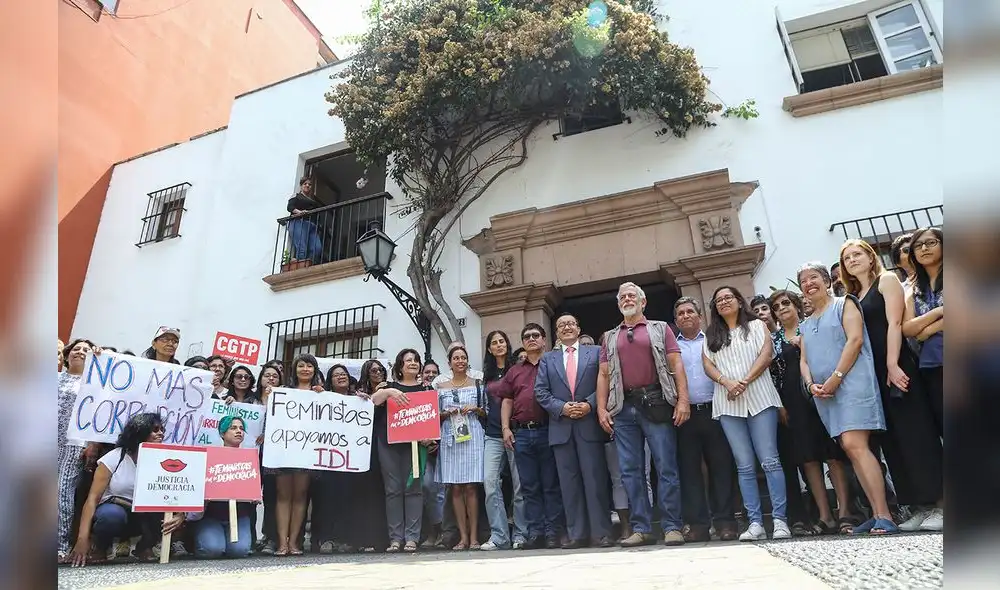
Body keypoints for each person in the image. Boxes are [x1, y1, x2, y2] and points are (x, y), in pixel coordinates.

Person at [840, 240, 944, 532]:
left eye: (857, 254)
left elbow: (894, 324)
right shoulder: (852, 295)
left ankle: (942, 503)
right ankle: (919, 506)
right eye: (847, 258)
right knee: (894, 441)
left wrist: (892, 363)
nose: (852, 260)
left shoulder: (886, 280)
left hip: (897, 365)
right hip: (873, 375)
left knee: (917, 434)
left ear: (871, 257)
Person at [798, 262, 897, 535]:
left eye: (814, 277)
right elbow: (804, 361)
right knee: (850, 449)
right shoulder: (805, 324)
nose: (809, 283)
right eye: (803, 281)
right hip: (825, 395)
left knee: (855, 443)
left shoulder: (845, 304)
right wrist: (811, 385)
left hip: (852, 385)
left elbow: (855, 341)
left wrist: (835, 378)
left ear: (827, 281)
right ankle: (874, 513)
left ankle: (885, 514)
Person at [596, 282, 691, 547]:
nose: (627, 299)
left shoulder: (661, 329)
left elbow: (676, 365)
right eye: (623, 297)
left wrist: (683, 400)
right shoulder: (610, 336)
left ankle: (672, 526)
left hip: (657, 402)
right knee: (630, 471)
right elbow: (603, 374)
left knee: (666, 466)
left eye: (632, 295)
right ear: (618, 304)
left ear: (643, 302)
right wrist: (601, 409)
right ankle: (641, 528)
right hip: (623, 408)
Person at [701, 286, 789, 541]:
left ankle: (781, 520)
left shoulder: (757, 326)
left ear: (740, 301)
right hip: (728, 404)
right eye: (719, 300)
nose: (724, 302)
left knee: (770, 460)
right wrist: (727, 382)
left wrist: (744, 382)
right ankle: (755, 523)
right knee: (744, 465)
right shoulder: (711, 335)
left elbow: (766, 355)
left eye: (729, 297)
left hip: (760, 398)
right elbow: (707, 365)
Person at [767, 290, 853, 535]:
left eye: (786, 303)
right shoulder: (773, 340)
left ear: (796, 305)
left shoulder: (812, 327)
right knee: (808, 459)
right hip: (792, 403)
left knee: (833, 454)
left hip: (821, 394)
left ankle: (845, 511)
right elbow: (773, 377)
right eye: (776, 306)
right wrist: (780, 406)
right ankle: (825, 516)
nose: (781, 308)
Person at [535, 314, 612, 548]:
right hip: (561, 427)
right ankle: (576, 533)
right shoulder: (548, 359)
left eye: (571, 324)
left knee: (595, 481)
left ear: (578, 329)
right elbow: (540, 392)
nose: (567, 327)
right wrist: (562, 408)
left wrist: (590, 404)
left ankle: (602, 533)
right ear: (556, 332)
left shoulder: (596, 351)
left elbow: (606, 381)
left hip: (589, 424)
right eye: (561, 325)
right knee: (569, 484)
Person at [490, 324, 566, 550]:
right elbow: (507, 400)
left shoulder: (554, 363)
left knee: (551, 484)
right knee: (529, 486)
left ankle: (553, 531)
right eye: (527, 336)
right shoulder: (515, 370)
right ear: (523, 342)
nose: (531, 339)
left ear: (544, 340)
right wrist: (505, 428)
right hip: (521, 433)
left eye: (536, 336)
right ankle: (535, 532)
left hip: (549, 430)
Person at [673, 297, 739, 542]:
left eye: (690, 311)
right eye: (681, 313)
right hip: (684, 413)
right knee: (689, 471)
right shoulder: (672, 346)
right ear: (676, 320)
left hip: (716, 410)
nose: (686, 316)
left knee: (721, 467)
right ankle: (698, 524)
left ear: (700, 316)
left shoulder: (714, 340)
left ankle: (725, 523)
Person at [68, 413, 169, 566]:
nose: (161, 433)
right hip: (114, 511)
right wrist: (82, 539)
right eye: (155, 429)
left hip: (143, 516)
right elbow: (92, 500)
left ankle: (145, 546)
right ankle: (101, 545)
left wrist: (180, 515)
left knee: (164, 511)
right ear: (139, 431)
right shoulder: (115, 457)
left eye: (162, 429)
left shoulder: (164, 460)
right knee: (112, 515)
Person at [371, 349, 427, 553]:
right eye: (408, 360)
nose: (413, 363)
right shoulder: (389, 386)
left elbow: (430, 417)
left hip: (415, 446)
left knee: (414, 489)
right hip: (389, 445)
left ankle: (412, 538)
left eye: (416, 360)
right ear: (400, 366)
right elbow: (373, 401)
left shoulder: (426, 389)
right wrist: (389, 392)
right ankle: (396, 538)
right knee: (393, 491)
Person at [435, 346, 487, 550]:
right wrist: (446, 413)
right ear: (449, 362)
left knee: (472, 487)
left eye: (463, 357)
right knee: (455, 487)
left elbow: (486, 412)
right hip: (450, 436)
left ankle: (474, 537)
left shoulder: (478, 384)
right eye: (456, 358)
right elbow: (434, 415)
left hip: (472, 434)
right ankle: (462, 537)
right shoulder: (440, 385)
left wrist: (474, 408)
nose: (460, 361)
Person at [479, 330, 527, 551]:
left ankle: (521, 534)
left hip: (516, 432)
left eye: (502, 341)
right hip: (492, 434)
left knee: (519, 486)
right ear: (489, 349)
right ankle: (499, 536)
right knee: (490, 484)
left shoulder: (518, 368)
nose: (499, 345)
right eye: (494, 343)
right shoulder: (486, 375)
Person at [272, 354, 324, 555]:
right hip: (284, 448)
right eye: (301, 365)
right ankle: (281, 543)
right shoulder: (283, 392)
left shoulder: (320, 394)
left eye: (309, 366)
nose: (305, 369)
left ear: (315, 370)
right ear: (294, 370)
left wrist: (322, 396)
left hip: (308, 450)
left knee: (301, 495)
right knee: (283, 495)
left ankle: (293, 542)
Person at [185, 416, 254, 559]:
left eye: (241, 428)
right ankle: (198, 541)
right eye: (233, 428)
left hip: (239, 515)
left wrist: (254, 495)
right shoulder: (209, 456)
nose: (238, 431)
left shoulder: (250, 458)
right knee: (212, 549)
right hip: (212, 515)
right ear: (222, 434)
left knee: (239, 551)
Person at [902, 227, 944, 438]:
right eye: (918, 246)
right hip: (933, 365)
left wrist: (925, 331)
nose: (924, 248)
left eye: (931, 243)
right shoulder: (913, 289)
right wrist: (940, 312)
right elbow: (907, 328)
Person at [57, 338, 97, 562]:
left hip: (75, 444)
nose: (80, 352)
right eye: (76, 349)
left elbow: (99, 416)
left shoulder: (94, 384)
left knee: (61, 493)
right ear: (67, 354)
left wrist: (92, 443)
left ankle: (60, 546)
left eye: (86, 350)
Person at [255, 362, 283, 554]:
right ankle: (250, 537)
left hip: (273, 455)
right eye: (267, 375)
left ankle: (271, 537)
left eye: (275, 376)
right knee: (249, 496)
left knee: (272, 496)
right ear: (261, 379)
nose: (271, 378)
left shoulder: (285, 400)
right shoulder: (251, 400)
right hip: (250, 455)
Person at [285, 176, 324, 264]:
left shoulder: (312, 200)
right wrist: (299, 212)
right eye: (305, 184)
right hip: (299, 222)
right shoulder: (296, 196)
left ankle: (308, 266)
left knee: (317, 248)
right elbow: (290, 207)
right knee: (302, 248)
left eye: (309, 184)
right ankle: (299, 268)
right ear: (301, 185)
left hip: (312, 226)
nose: (307, 186)